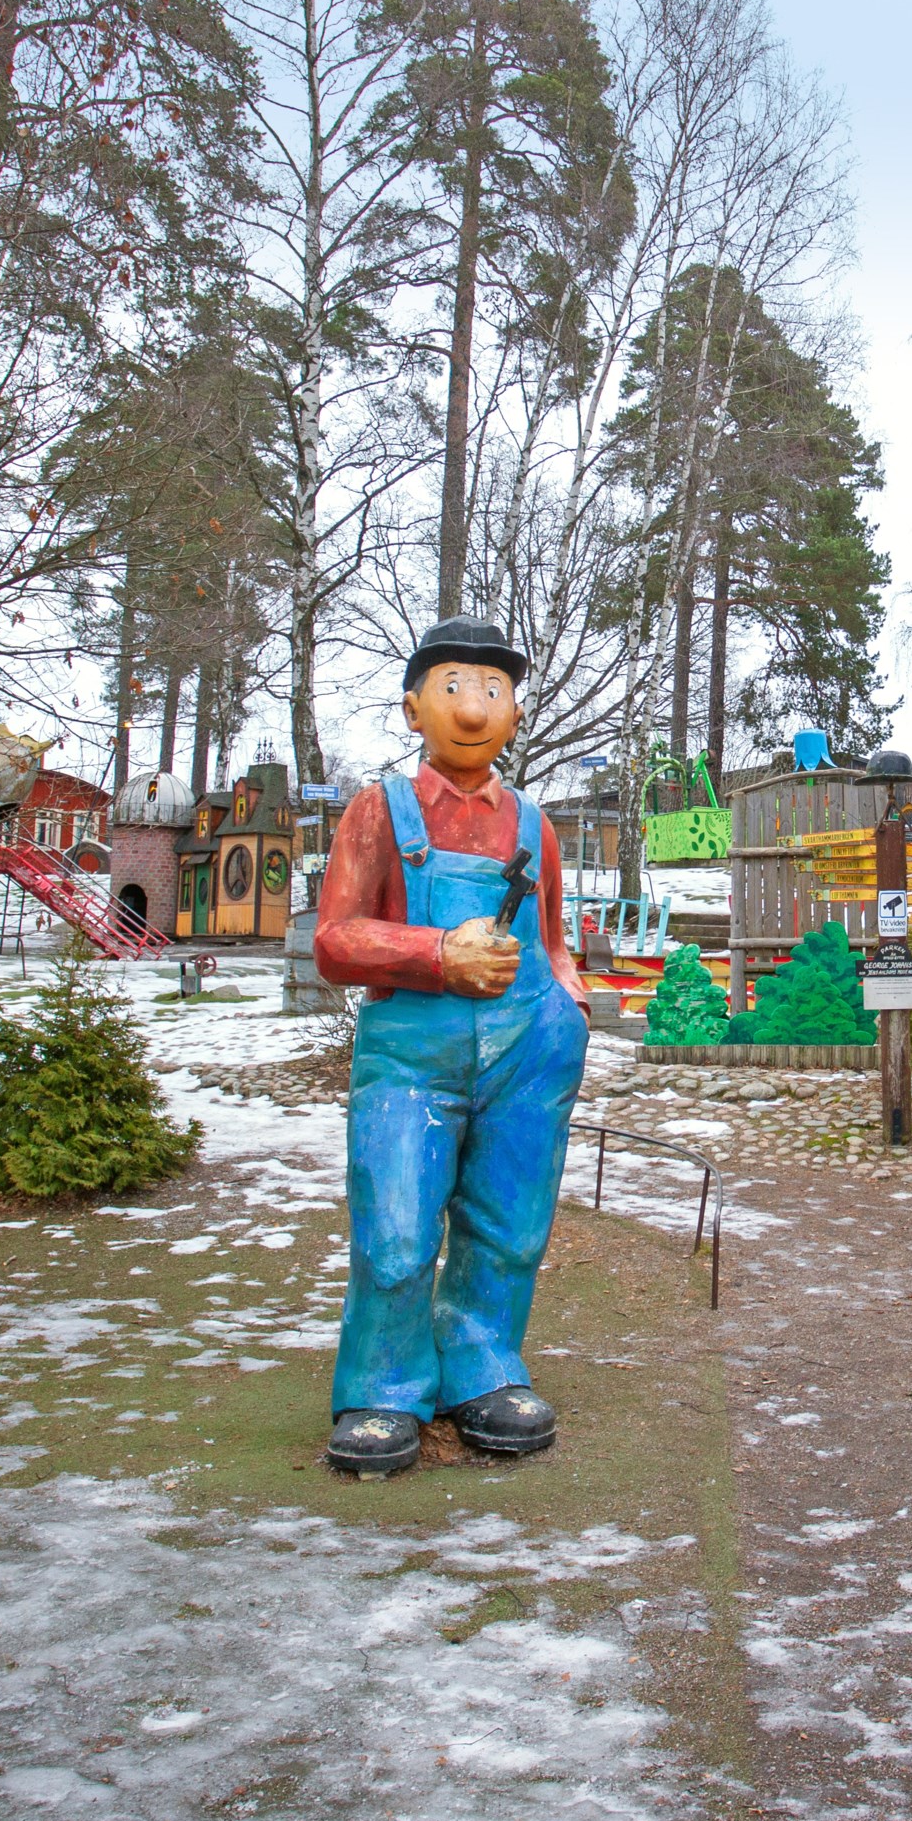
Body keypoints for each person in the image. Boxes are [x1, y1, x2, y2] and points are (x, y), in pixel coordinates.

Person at [310, 617, 588, 1476]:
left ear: (515, 712)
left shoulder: (534, 824)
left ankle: (482, 1363)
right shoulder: (379, 811)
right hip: (411, 1055)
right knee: (395, 1226)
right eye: (455, 687)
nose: (474, 709)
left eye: (494, 690)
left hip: (525, 1056)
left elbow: (552, 941)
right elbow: (334, 940)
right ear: (413, 708)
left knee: (509, 1226)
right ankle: (383, 1384)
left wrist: (570, 1007)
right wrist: (437, 953)